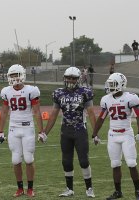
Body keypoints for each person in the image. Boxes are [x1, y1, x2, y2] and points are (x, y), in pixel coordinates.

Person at [39, 66, 96, 198]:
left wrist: (96, 132)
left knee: (83, 160)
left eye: (73, 78)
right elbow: (53, 115)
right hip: (66, 130)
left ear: (78, 79)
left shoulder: (85, 92)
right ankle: (69, 189)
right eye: (68, 77)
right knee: (66, 161)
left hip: (80, 129)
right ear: (64, 78)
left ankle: (89, 188)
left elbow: (91, 114)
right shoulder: (59, 93)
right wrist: (44, 132)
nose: (70, 80)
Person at [92, 72, 139, 200]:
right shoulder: (106, 99)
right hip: (113, 135)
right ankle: (118, 192)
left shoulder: (130, 98)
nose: (110, 86)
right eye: (109, 84)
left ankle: (138, 191)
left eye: (113, 84)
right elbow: (101, 117)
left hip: (126, 133)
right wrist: (94, 134)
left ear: (121, 84)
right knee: (115, 164)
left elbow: (138, 116)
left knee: (131, 163)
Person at [0, 64, 43, 197]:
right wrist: (0, 131)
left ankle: (30, 188)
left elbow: (36, 112)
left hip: (27, 127)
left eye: (16, 75)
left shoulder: (31, 90)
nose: (14, 78)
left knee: (29, 159)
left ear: (22, 75)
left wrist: (41, 131)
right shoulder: (6, 91)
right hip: (13, 128)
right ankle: (19, 188)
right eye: (12, 75)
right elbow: (4, 112)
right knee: (15, 160)